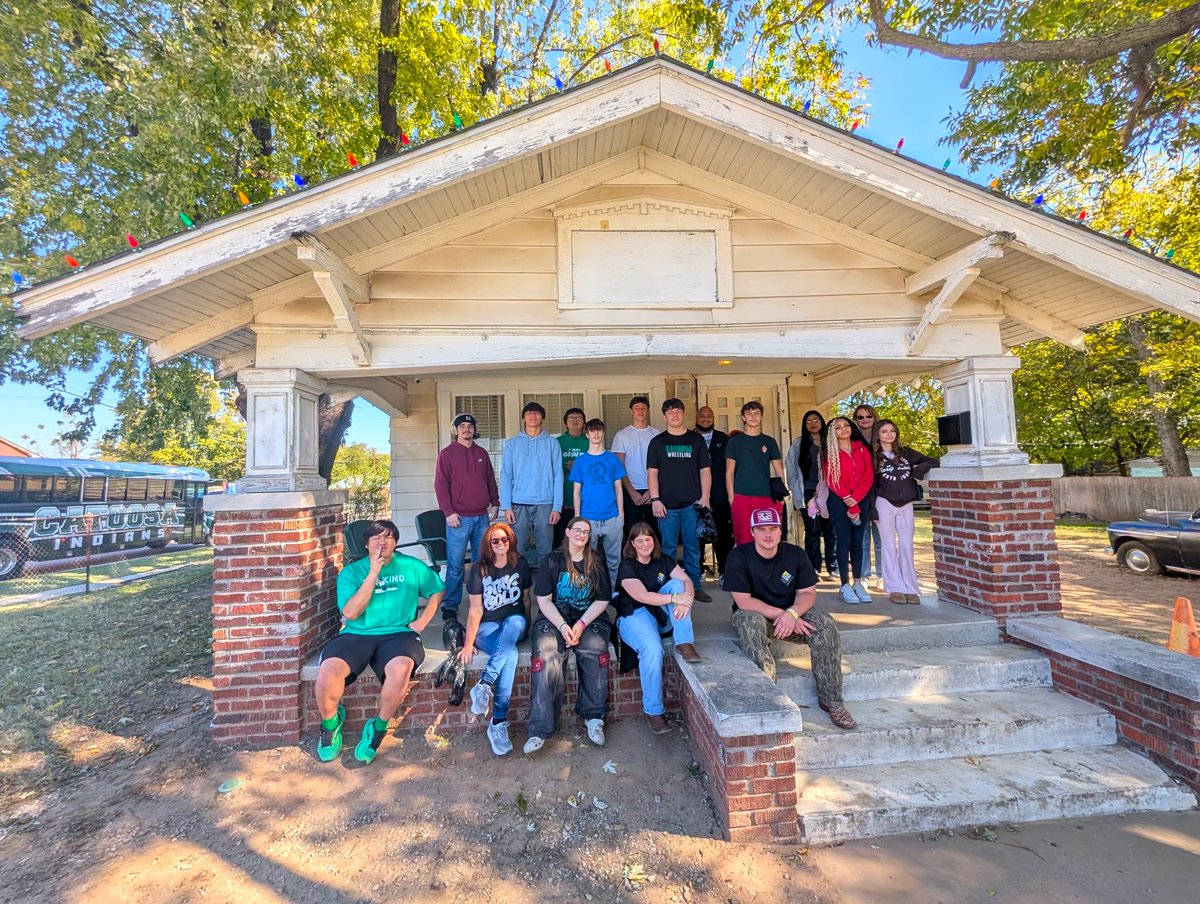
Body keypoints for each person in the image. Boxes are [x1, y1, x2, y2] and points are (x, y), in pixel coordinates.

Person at [315, 520, 445, 764]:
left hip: (399, 634)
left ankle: (378, 726)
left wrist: (422, 621)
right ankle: (331, 723)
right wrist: (373, 573)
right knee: (328, 671)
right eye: (376, 538)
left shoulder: (410, 566)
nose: (382, 543)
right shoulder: (352, 572)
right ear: (366, 544)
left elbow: (437, 588)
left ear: (395, 543)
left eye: (388, 537)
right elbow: (351, 613)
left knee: (400, 670)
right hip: (357, 633)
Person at [724, 508, 856, 730]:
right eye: (761, 529)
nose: (768, 534)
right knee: (751, 623)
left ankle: (832, 701)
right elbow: (744, 601)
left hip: (791, 612)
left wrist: (792, 613)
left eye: (773, 528)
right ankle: (769, 701)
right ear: (752, 532)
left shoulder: (795, 554)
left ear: (780, 530)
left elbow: (808, 593)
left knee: (825, 624)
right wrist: (782, 615)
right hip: (754, 613)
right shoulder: (738, 556)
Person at [525, 517, 613, 754]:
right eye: (577, 530)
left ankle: (594, 717)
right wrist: (564, 626)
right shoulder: (552, 560)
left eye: (586, 531)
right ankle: (539, 728)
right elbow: (543, 600)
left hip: (589, 616)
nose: (581, 534)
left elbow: (603, 599)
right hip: (556, 616)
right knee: (546, 653)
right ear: (567, 532)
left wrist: (581, 624)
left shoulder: (597, 561)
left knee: (593, 649)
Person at [616, 523, 698, 735]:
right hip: (634, 615)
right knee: (652, 649)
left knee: (679, 585)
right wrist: (675, 598)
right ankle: (653, 711)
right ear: (632, 544)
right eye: (639, 540)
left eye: (648, 539)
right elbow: (642, 596)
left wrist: (686, 600)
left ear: (654, 541)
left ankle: (684, 642)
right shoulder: (627, 565)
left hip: (661, 614)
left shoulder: (665, 560)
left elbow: (687, 581)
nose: (645, 544)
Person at [460, 521, 531, 755]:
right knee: (509, 655)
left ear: (510, 541)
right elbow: (475, 609)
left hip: (515, 624)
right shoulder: (479, 569)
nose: (500, 543)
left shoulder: (520, 563)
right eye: (495, 541)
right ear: (488, 544)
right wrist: (468, 643)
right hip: (487, 628)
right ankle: (498, 722)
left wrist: (528, 627)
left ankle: (485, 683)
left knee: (515, 622)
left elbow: (526, 599)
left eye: (504, 539)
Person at [433, 412, 499, 622]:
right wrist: (448, 512)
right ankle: (450, 605)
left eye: (470, 426)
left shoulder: (482, 453)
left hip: (482, 517)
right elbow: (440, 485)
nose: (466, 429)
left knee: (482, 563)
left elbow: (490, 480)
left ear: (474, 429)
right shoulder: (447, 454)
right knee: (455, 565)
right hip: (458, 519)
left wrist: (495, 503)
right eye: (462, 426)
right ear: (456, 430)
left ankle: (480, 601)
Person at [646, 398, 713, 602]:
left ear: (683, 414)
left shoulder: (696, 440)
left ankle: (695, 586)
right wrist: (655, 499)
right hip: (666, 506)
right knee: (668, 548)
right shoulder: (657, 442)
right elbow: (652, 473)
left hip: (692, 504)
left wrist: (705, 497)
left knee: (693, 547)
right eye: (670, 412)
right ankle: (670, 587)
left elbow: (705, 470)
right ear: (664, 416)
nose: (674, 415)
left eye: (678, 411)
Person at [873, 419, 939, 605]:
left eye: (892, 430)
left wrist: (918, 471)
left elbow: (933, 460)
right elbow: (870, 484)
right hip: (884, 503)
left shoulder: (906, 453)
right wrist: (871, 510)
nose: (889, 434)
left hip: (906, 504)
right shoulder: (873, 457)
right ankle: (895, 587)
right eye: (884, 431)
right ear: (877, 435)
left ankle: (910, 587)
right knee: (888, 545)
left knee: (906, 545)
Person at [500, 401, 562, 564]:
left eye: (537, 413)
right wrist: (506, 506)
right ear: (523, 418)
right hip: (518, 504)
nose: (533, 416)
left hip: (545, 504)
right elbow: (506, 476)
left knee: (545, 551)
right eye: (529, 413)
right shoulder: (513, 444)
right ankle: (519, 581)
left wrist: (557, 507)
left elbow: (558, 476)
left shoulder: (552, 443)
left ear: (542, 418)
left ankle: (545, 581)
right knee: (517, 550)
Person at [822, 416, 875, 604]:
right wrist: (848, 499)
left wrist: (856, 498)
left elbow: (868, 475)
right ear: (832, 432)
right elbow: (831, 478)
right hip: (839, 501)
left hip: (861, 499)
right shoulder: (829, 452)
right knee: (844, 540)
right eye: (838, 427)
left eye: (845, 425)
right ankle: (844, 584)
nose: (843, 429)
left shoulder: (861, 448)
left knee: (858, 542)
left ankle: (858, 582)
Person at [571, 418, 626, 591]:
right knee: (587, 559)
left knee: (614, 560)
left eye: (599, 430)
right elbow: (576, 491)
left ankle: (613, 592)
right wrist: (578, 517)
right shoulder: (580, 461)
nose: (596, 434)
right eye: (592, 430)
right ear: (587, 434)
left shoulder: (612, 459)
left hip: (612, 516)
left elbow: (618, 487)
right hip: (588, 518)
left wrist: (621, 513)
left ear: (603, 433)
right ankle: (590, 591)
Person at [725, 400, 785, 546]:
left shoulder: (769, 441)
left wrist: (781, 495)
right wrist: (732, 498)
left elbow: (779, 470)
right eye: (749, 414)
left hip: (766, 496)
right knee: (744, 538)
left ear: (761, 416)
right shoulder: (735, 442)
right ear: (743, 417)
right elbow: (729, 472)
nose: (753, 417)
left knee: (767, 538)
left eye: (756, 413)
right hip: (742, 496)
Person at [785, 409, 836, 580]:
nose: (812, 423)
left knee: (831, 530)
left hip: (830, 492)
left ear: (822, 422)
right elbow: (790, 466)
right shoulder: (799, 444)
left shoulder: (831, 442)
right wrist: (794, 488)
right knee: (812, 530)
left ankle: (833, 568)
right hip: (808, 492)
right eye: (808, 421)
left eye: (815, 420)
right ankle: (813, 568)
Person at [611, 396, 660, 539]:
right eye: (636, 408)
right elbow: (619, 467)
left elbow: (662, 465)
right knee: (632, 530)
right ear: (631, 412)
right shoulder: (622, 435)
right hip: (630, 490)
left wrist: (652, 491)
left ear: (648, 410)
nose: (640, 411)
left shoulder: (656, 434)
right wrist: (632, 492)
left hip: (653, 491)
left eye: (643, 408)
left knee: (654, 531)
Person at [694, 405, 733, 581]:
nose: (705, 418)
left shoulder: (724, 439)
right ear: (696, 418)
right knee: (696, 536)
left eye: (709, 415)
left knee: (723, 535)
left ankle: (724, 572)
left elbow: (731, 468)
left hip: (720, 496)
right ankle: (698, 570)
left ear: (713, 418)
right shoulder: (689, 438)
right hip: (695, 496)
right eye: (702, 415)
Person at [853, 404, 884, 592]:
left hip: (881, 491)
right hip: (860, 492)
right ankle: (863, 576)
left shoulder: (883, 436)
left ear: (874, 417)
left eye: (868, 416)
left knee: (881, 537)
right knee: (862, 538)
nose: (864, 419)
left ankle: (882, 576)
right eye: (860, 417)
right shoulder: (852, 439)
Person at [554, 407, 589, 548]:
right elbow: (549, 468)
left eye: (579, 418)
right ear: (565, 423)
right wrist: (563, 465)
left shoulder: (590, 441)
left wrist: (578, 467)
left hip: (585, 500)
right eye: (571, 418)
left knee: (582, 538)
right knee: (560, 539)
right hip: (561, 499)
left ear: (584, 422)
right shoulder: (557, 442)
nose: (575, 421)